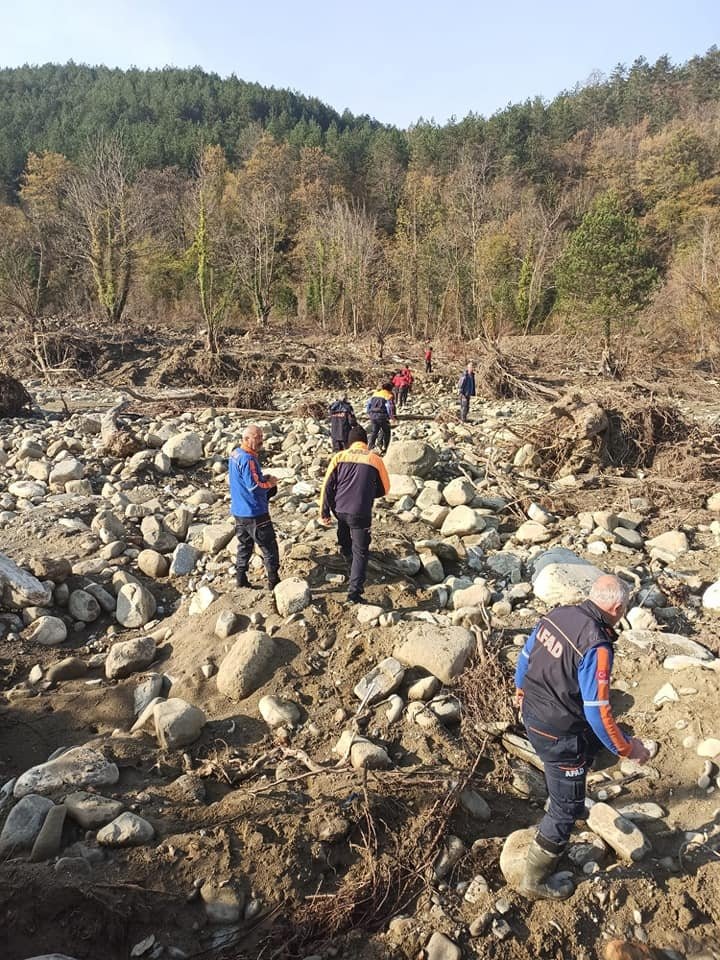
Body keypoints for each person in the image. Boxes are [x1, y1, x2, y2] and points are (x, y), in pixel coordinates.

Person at [513, 574, 651, 901]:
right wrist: (628, 748)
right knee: (565, 809)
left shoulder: (558, 615)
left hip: (533, 713)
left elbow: (525, 655)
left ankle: (569, 777)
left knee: (582, 751)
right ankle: (534, 881)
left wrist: (521, 688)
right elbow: (598, 711)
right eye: (625, 608)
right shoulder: (597, 645)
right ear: (617, 607)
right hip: (559, 734)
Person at [318, 424, 390, 603]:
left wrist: (324, 512)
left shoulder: (339, 457)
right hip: (360, 512)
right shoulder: (375, 459)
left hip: (340, 509)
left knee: (344, 530)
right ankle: (354, 594)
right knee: (361, 551)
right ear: (365, 442)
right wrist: (367, 493)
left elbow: (327, 486)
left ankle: (346, 555)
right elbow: (385, 489)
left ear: (349, 443)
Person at [228, 424, 280, 590]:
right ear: (246, 438)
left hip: (239, 511)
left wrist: (261, 477)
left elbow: (245, 480)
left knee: (244, 545)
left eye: (261, 437)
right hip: (255, 512)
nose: (261, 441)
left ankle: (240, 578)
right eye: (257, 438)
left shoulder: (235, 454)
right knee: (269, 546)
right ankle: (274, 582)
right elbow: (254, 487)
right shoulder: (248, 459)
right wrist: (270, 483)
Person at [365, 381, 396, 453]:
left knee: (374, 431)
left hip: (373, 415)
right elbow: (389, 407)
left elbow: (369, 404)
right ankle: (385, 447)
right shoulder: (389, 395)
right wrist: (392, 417)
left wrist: (368, 412)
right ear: (390, 388)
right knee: (386, 431)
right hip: (382, 415)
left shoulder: (375, 394)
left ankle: (370, 446)